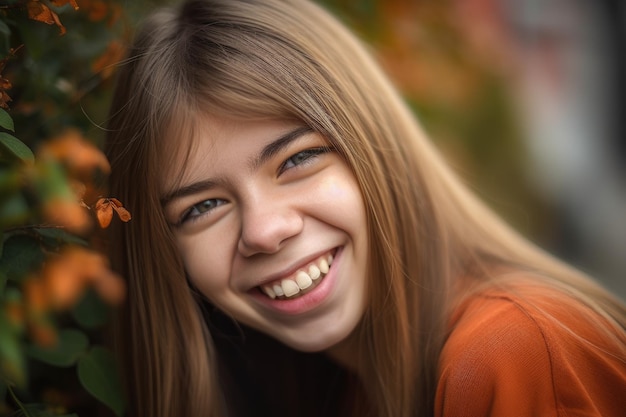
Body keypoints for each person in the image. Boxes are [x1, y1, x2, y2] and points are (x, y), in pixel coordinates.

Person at [104, 0, 626, 416]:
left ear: (375, 144)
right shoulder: (336, 386)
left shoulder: (515, 355)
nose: (264, 230)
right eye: (203, 207)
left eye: (299, 158)